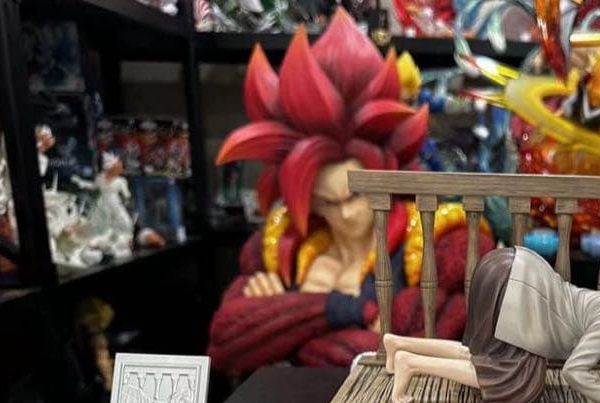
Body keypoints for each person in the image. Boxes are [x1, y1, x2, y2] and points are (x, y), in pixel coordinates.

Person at [208, 9, 492, 373]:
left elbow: (419, 352)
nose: (345, 213)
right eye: (327, 202)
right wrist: (343, 311)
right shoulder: (281, 247)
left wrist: (282, 324)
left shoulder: (438, 241)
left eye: (356, 195)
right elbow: (224, 345)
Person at [385, 246, 600, 403]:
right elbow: (574, 371)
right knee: (510, 381)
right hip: (521, 289)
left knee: (479, 353)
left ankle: (397, 344)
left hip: (510, 266)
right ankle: (412, 363)